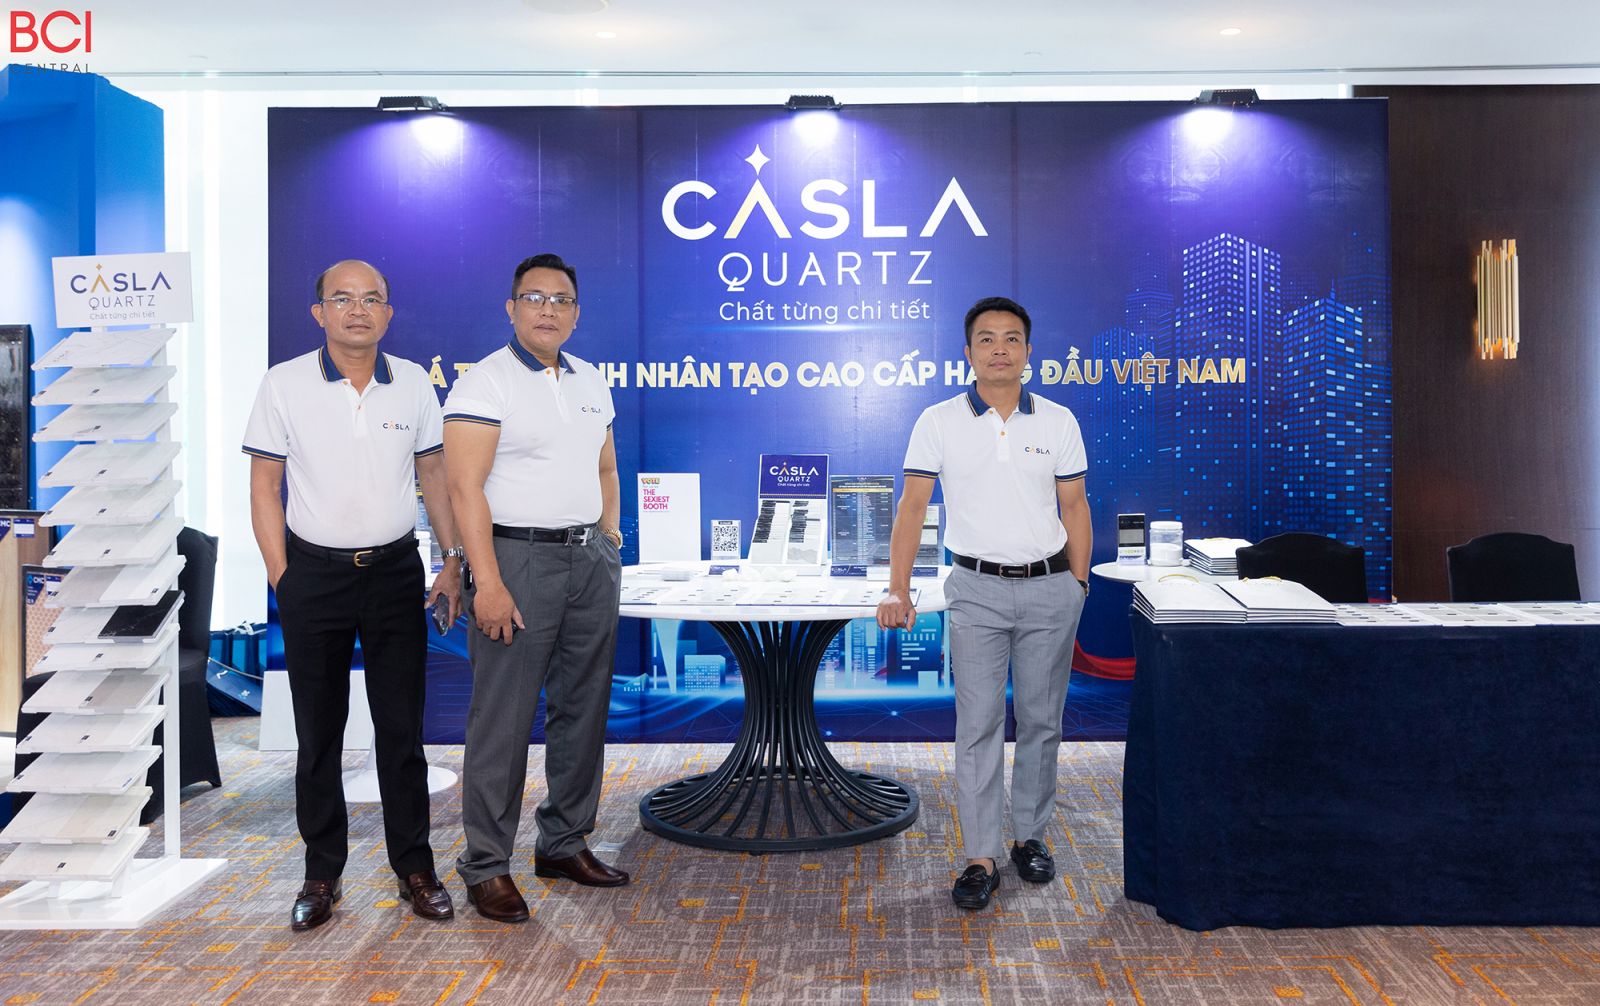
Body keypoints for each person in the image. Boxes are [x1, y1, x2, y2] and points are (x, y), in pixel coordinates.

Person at [243, 259, 463, 931]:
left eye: (372, 299)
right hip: (313, 576)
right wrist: (283, 577)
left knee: (402, 730)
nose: (358, 310)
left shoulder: (414, 385)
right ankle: (321, 873)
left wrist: (451, 561)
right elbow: (264, 487)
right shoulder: (283, 383)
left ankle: (415, 868)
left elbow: (434, 478)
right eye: (343, 299)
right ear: (320, 312)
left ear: (388, 313)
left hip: (395, 574)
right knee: (319, 734)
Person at [876, 295, 1091, 911]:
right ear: (968, 352)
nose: (1000, 349)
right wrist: (898, 587)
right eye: (987, 339)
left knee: (1042, 721)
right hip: (975, 590)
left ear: (1028, 351)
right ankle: (980, 856)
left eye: (1012, 338)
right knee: (977, 726)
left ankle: (1030, 837)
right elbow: (912, 508)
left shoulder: (1057, 421)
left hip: (1050, 588)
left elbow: (1075, 506)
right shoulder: (938, 420)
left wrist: (1077, 586)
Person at [442, 252, 626, 924]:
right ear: (511, 307)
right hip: (515, 562)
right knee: (504, 718)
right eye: (535, 297)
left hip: (588, 561)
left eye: (561, 300)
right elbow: (463, 489)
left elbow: (605, 467)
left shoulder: (591, 379)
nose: (549, 310)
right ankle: (487, 865)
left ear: (576, 312)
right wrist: (486, 581)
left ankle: (564, 843)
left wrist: (609, 537)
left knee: (583, 709)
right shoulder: (484, 383)